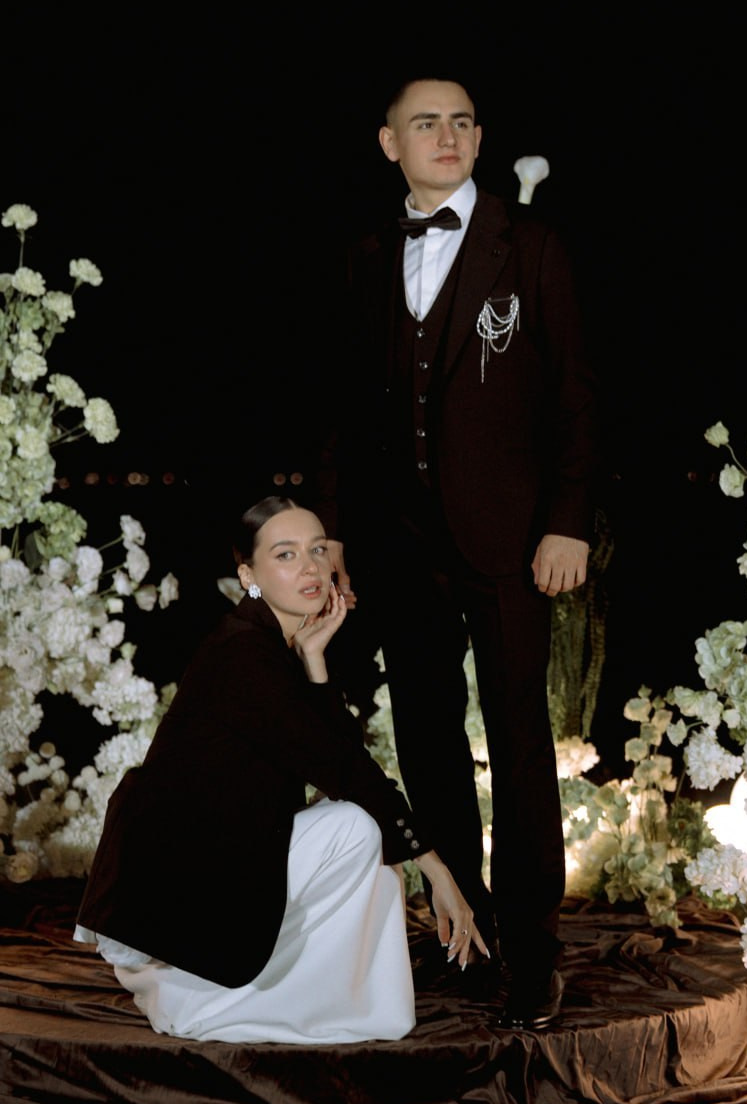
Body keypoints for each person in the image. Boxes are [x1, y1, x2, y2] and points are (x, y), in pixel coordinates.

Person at [317, 78, 598, 1031]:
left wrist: (567, 521)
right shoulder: (364, 256)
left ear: (479, 140)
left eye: (462, 122)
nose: (447, 135)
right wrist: (336, 533)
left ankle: (532, 952)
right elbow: (342, 413)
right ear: (388, 142)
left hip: (511, 540)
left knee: (518, 742)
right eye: (426, 123)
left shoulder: (534, 245)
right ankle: (464, 933)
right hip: (398, 545)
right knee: (428, 740)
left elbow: (575, 398)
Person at [75, 496, 486, 1045]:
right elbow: (345, 769)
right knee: (355, 827)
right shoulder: (243, 653)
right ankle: (197, 997)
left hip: (211, 862)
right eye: (286, 554)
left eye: (318, 550)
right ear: (249, 576)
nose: (311, 567)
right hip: (176, 891)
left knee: (367, 841)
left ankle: (288, 995)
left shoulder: (274, 644)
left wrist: (315, 660)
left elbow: (339, 755)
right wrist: (437, 871)